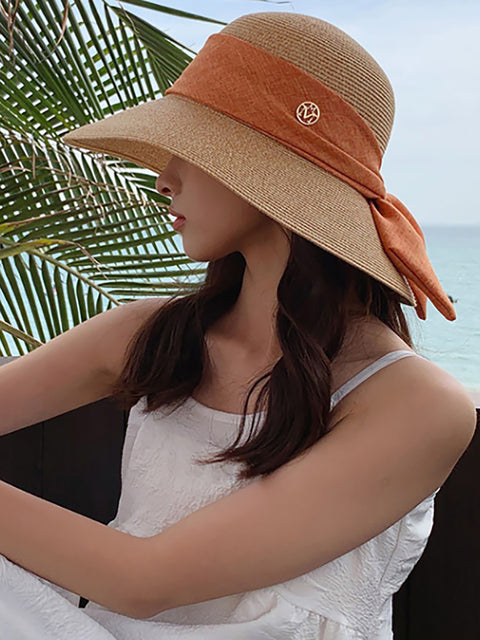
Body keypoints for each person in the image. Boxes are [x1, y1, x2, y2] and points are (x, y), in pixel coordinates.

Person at [0, 10, 476, 640]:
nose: (163, 175)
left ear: (268, 172)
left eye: (191, 149)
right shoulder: (148, 332)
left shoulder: (417, 405)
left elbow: (143, 581)